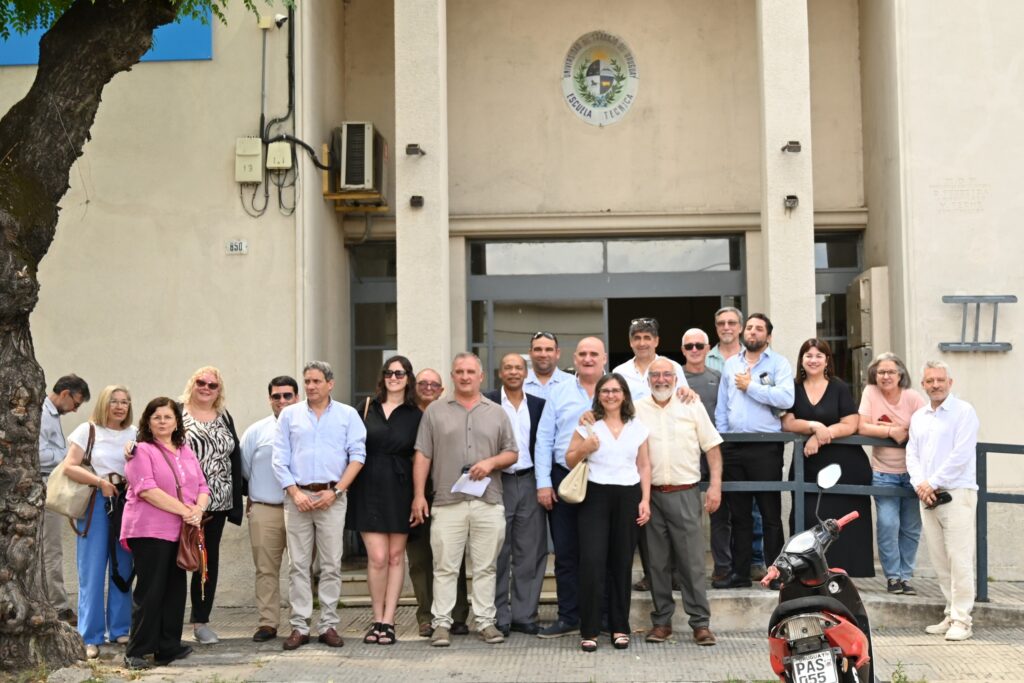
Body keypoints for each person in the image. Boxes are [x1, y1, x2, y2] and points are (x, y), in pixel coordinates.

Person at [410, 353, 518, 647]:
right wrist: (419, 495)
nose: (465, 376)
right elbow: (423, 455)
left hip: (488, 501)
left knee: (486, 567)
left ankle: (485, 622)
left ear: (481, 376)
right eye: (459, 372)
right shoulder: (435, 411)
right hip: (447, 501)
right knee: (444, 567)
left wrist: (491, 462)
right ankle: (441, 624)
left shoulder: (497, 413)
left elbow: (512, 453)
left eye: (471, 372)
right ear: (452, 376)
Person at [272, 361, 366, 650]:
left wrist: (336, 491)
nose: (311, 386)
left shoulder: (348, 415)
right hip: (297, 497)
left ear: (330, 383)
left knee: (331, 564)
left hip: (331, 498)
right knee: (298, 565)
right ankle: (299, 626)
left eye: (316, 381)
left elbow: (358, 456)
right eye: (307, 381)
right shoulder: (289, 415)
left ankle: (328, 625)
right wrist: (294, 492)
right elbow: (279, 458)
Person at [637, 358, 722, 647]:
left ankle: (700, 623)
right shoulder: (636, 409)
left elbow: (712, 446)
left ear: (676, 379)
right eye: (655, 375)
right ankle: (662, 622)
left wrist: (715, 486)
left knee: (692, 562)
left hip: (685, 492)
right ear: (648, 380)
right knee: (656, 563)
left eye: (666, 374)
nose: (661, 379)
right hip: (650, 495)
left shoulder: (691, 405)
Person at [120, 397, 209, 670]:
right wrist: (186, 511)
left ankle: (168, 647)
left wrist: (198, 510)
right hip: (149, 530)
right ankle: (137, 651)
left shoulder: (185, 450)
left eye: (167, 417)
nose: (162, 422)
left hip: (179, 530)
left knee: (174, 591)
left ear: (176, 422)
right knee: (150, 591)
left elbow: (203, 486)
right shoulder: (141, 451)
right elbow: (147, 490)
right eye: (156, 417)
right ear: (147, 422)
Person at [566, 373, 650, 652]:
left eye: (616, 390)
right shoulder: (588, 424)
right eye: (605, 391)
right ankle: (589, 629)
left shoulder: (637, 426)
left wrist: (645, 500)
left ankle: (619, 627)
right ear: (598, 395)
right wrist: (585, 447)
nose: (611, 395)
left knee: (621, 563)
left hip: (628, 495)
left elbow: (644, 465)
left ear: (624, 395)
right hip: (595, 496)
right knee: (592, 562)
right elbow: (569, 460)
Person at [534, 337, 607, 638]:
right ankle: (569, 616)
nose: (588, 359)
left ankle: (602, 617)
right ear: (574, 359)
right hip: (564, 478)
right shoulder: (559, 392)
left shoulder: (617, 389)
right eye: (583, 354)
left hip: (605, 481)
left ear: (604, 358)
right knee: (565, 552)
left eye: (594, 354)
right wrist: (543, 483)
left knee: (601, 553)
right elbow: (544, 439)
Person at [714, 313, 793, 589]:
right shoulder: (730, 364)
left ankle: (775, 574)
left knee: (770, 514)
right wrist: (723, 440)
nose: (752, 332)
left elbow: (786, 398)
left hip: (765, 446)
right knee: (739, 516)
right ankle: (740, 574)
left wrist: (751, 387)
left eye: (759, 328)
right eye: (749, 327)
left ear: (768, 336)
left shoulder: (779, 364)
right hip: (733, 446)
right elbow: (722, 407)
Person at [782, 339, 873, 578]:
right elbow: (788, 422)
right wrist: (814, 426)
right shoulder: (793, 387)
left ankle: (845, 575)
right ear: (801, 360)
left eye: (818, 356)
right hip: (808, 464)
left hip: (845, 465)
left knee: (843, 522)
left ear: (827, 360)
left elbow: (851, 423)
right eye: (808, 355)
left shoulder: (838, 386)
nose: (813, 360)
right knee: (807, 516)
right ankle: (807, 573)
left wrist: (821, 436)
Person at [347, 356, 422, 646]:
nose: (394, 377)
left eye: (399, 373)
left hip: (401, 488)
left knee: (395, 557)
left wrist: (418, 496)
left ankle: (389, 622)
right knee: (377, 558)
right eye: (389, 372)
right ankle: (376, 618)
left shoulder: (416, 415)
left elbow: (420, 458)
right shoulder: (366, 407)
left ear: (408, 378)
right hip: (368, 487)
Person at [906, 361, 979, 642]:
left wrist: (931, 482)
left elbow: (961, 455)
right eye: (930, 381)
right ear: (923, 385)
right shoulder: (919, 416)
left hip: (957, 493)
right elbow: (912, 454)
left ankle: (963, 620)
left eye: (940, 380)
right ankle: (951, 613)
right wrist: (920, 484)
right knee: (940, 560)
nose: (935, 385)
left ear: (950, 382)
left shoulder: (964, 412)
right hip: (928, 496)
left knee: (959, 559)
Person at [62, 385, 136, 658]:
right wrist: (100, 482)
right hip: (96, 503)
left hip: (126, 504)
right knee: (92, 571)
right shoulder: (88, 430)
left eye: (124, 402)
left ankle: (120, 629)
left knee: (123, 567)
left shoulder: (135, 433)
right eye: (114, 401)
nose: (119, 406)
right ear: (104, 404)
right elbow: (69, 466)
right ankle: (90, 635)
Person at [178, 366, 243, 645]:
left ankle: (201, 622)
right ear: (192, 384)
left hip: (217, 503)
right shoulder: (176, 412)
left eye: (212, 385)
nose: (206, 388)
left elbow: (235, 457)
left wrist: (237, 501)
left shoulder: (224, 416)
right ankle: (168, 623)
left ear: (219, 390)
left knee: (206, 561)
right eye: (201, 382)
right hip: (182, 502)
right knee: (176, 560)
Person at [484, 353, 548, 637]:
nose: (513, 372)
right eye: (507, 367)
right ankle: (499, 614)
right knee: (498, 550)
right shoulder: (488, 403)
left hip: (530, 480)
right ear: (500, 373)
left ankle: (525, 614)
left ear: (526, 373)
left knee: (529, 551)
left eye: (518, 368)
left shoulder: (538, 405)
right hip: (497, 481)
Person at [406, 368, 471, 638]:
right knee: (420, 558)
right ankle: (426, 616)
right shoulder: (406, 417)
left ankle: (458, 615)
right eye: (423, 383)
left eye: (434, 384)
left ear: (442, 390)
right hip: (414, 495)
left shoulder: (451, 413)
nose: (428, 388)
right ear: (415, 387)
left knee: (452, 557)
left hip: (448, 492)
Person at [857, 352, 926, 595]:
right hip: (883, 472)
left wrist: (899, 428)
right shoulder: (870, 393)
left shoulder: (912, 397)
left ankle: (906, 577)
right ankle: (893, 577)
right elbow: (862, 426)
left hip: (913, 474)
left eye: (891, 372)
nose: (885, 376)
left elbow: (926, 426)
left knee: (910, 528)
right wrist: (890, 431)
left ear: (900, 375)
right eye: (881, 372)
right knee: (888, 524)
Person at [706, 307, 767, 580]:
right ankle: (727, 565)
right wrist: (721, 438)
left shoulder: (755, 357)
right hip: (722, 441)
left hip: (751, 442)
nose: (726, 327)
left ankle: (755, 560)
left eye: (732, 322)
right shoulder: (704, 355)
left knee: (753, 508)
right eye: (721, 323)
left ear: (740, 327)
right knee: (726, 508)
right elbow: (721, 404)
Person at [240, 375, 299, 642]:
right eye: (277, 396)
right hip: (265, 508)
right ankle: (268, 623)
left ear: (297, 397)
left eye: (287, 395)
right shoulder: (256, 431)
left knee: (301, 569)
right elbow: (245, 469)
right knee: (265, 569)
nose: (282, 400)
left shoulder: (307, 428)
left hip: (300, 508)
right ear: (270, 399)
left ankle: (300, 623)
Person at [39, 373, 91, 625]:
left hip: (44, 486)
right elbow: (37, 454)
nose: (75, 410)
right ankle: (59, 607)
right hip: (42, 486)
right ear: (65, 394)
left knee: (48, 550)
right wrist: (69, 455)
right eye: (76, 403)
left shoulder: (50, 414)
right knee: (52, 550)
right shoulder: (42, 413)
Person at [681, 328, 730, 583]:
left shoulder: (718, 377)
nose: (694, 350)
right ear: (683, 350)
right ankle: (682, 572)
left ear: (708, 348)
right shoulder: (675, 378)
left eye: (699, 345)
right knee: (683, 517)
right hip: (685, 452)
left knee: (719, 512)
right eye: (689, 346)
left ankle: (722, 568)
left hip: (714, 451)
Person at [611, 317, 688, 401]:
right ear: (631, 342)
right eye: (637, 338)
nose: (642, 343)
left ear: (656, 341)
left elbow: (685, 398)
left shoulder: (674, 367)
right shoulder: (619, 372)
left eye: (647, 338)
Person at [524, 331, 572, 399]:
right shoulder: (519, 383)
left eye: (549, 350)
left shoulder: (572, 383)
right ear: (530, 353)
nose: (543, 355)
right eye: (538, 349)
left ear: (557, 353)